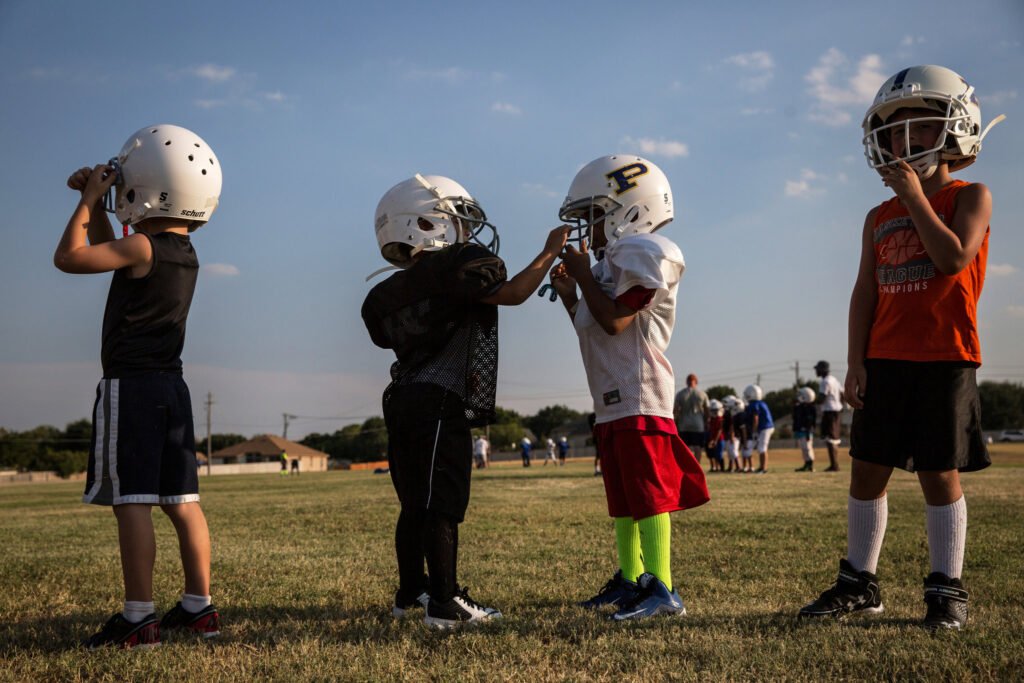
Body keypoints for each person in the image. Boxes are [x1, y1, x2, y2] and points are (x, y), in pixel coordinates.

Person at [799, 65, 1002, 630]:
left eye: (920, 126)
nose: (904, 140)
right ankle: (859, 582)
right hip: (885, 357)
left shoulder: (971, 195)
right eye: (894, 131)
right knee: (867, 470)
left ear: (955, 129)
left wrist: (915, 198)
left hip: (945, 354)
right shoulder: (877, 216)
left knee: (939, 473)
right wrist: (856, 360)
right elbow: (865, 291)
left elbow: (953, 258)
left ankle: (946, 588)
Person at [362, 173, 568, 628]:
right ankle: (444, 602)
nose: (468, 231)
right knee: (442, 502)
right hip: (439, 400)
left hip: (402, 399)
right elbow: (513, 293)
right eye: (458, 219)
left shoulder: (392, 290)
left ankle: (410, 593)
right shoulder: (456, 267)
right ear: (426, 222)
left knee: (414, 502)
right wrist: (548, 252)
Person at [54, 124, 222, 648]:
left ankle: (138, 617)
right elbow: (115, 252)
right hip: (173, 389)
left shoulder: (143, 247)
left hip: (133, 387)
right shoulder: (181, 252)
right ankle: (198, 607)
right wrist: (96, 206)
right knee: (182, 500)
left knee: (132, 501)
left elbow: (69, 258)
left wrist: (88, 201)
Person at [548, 154, 709, 620]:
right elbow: (596, 327)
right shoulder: (607, 266)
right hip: (611, 398)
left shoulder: (646, 250)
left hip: (641, 394)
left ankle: (663, 587)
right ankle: (631, 577)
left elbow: (617, 321)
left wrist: (583, 276)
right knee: (622, 497)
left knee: (648, 493)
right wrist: (572, 296)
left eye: (594, 216)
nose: (587, 229)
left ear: (630, 209)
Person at [815, 360, 844, 472]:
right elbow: (842, 394)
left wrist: (811, 403)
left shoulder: (825, 381)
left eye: (817, 369)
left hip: (830, 411)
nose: (816, 371)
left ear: (822, 370)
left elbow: (822, 398)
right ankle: (834, 464)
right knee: (833, 438)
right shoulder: (834, 380)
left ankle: (834, 465)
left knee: (830, 439)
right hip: (836, 410)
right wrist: (841, 405)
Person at [674, 374, 709, 465]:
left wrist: (675, 422)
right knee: (698, 446)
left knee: (685, 447)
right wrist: (706, 422)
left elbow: (676, 410)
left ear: (686, 382)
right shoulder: (702, 394)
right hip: (698, 424)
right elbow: (707, 410)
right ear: (696, 382)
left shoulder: (680, 394)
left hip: (684, 424)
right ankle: (697, 465)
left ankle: (686, 465)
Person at [744, 384, 774, 474]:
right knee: (761, 448)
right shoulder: (762, 403)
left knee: (762, 448)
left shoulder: (754, 404)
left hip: (765, 428)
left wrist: (754, 431)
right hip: (766, 427)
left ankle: (763, 468)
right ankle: (761, 467)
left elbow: (755, 418)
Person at [793, 387, 817, 472]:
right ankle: (806, 463)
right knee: (803, 448)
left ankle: (810, 465)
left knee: (807, 448)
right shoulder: (800, 407)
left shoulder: (810, 408)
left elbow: (810, 421)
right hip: (800, 430)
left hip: (806, 431)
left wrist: (808, 430)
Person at [705, 399, 725, 473]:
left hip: (719, 439)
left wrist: (715, 440)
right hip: (713, 439)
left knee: (719, 455)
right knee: (714, 454)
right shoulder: (711, 419)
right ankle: (716, 468)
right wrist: (711, 439)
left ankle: (722, 469)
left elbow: (719, 430)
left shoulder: (720, 419)